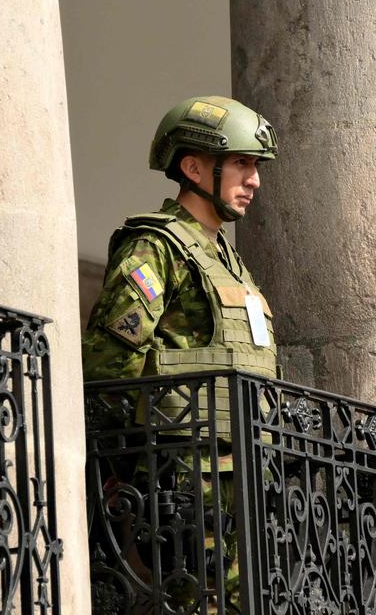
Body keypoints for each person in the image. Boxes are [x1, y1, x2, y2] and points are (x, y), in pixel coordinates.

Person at [82, 95, 280, 613]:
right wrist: (125, 463)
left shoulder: (231, 262)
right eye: (241, 162)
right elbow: (110, 362)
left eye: (255, 166)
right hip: (185, 473)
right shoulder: (156, 247)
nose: (254, 179)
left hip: (244, 470)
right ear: (193, 167)